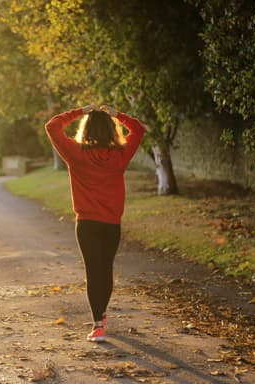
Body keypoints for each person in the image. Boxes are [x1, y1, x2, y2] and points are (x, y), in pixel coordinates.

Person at [44, 104, 147, 342]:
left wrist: (79, 111)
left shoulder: (76, 153)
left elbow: (52, 126)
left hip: (87, 224)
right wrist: (117, 114)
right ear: (112, 130)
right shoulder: (120, 155)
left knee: (94, 271)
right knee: (106, 269)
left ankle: (98, 324)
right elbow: (139, 129)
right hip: (111, 223)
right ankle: (101, 315)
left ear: (86, 129)